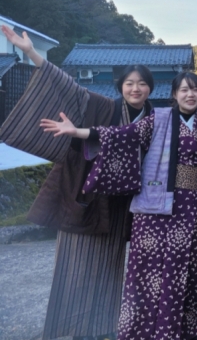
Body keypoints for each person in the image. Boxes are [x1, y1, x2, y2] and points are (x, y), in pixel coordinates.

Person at [40, 72, 197, 340]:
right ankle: (143, 331)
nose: (190, 95)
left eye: (196, 90)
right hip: (153, 207)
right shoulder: (158, 119)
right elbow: (123, 134)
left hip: (190, 205)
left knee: (188, 268)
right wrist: (77, 131)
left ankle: (187, 327)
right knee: (147, 272)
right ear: (174, 95)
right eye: (184, 90)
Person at [0, 25, 153, 340]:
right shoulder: (103, 107)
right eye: (129, 83)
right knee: (75, 267)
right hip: (88, 198)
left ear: (151, 88)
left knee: (110, 269)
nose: (135, 89)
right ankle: (74, 331)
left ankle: (103, 329)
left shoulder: (155, 119)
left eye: (141, 84)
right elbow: (67, 87)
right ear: (120, 86)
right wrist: (30, 52)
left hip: (123, 206)